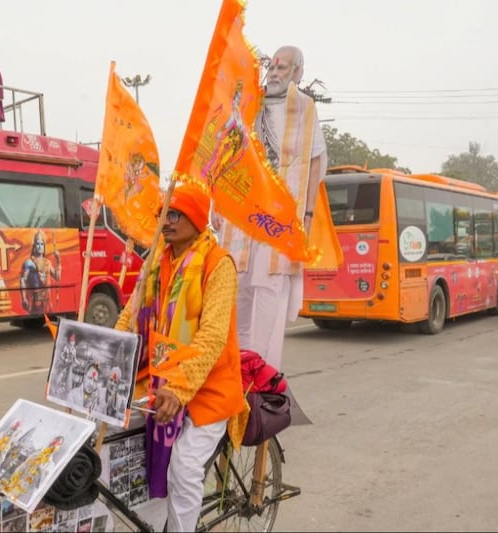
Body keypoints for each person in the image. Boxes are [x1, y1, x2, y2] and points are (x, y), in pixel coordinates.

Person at [114, 183, 246, 533]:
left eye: (174, 214)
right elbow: (130, 315)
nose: (166, 221)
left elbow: (213, 336)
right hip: (160, 381)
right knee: (119, 439)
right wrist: (108, 352)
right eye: (162, 214)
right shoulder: (156, 262)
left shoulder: (219, 265)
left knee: (184, 467)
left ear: (196, 218)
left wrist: (180, 386)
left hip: (208, 389)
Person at [217, 45, 327, 370]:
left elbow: (315, 161)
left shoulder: (304, 109)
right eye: (273, 68)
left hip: (278, 222)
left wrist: (306, 214)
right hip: (240, 221)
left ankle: (261, 377)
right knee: (236, 293)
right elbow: (225, 156)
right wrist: (217, 205)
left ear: (297, 73)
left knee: (268, 292)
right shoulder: (249, 104)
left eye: (283, 68)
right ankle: (233, 375)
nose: (275, 74)